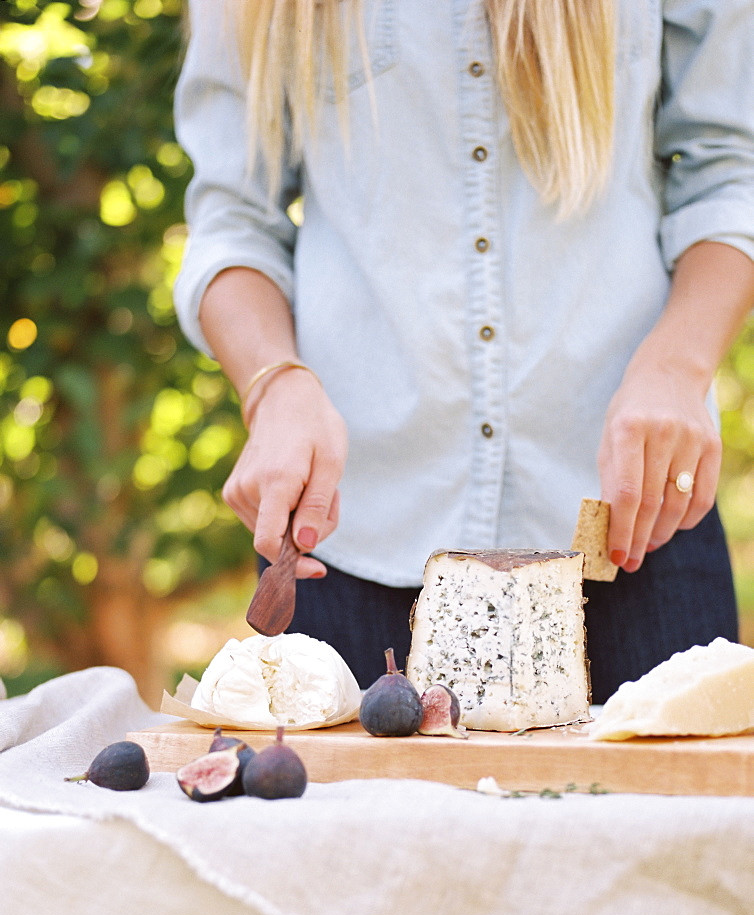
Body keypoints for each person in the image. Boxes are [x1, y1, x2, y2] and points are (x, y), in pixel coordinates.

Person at [173, 0, 754, 702]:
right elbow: (233, 222)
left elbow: (731, 174)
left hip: (638, 518)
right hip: (357, 532)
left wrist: (677, 367)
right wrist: (274, 386)